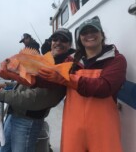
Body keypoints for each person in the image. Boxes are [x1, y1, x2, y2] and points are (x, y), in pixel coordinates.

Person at [38, 17, 127, 152]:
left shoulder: (116, 60)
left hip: (103, 130)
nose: (89, 35)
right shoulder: (71, 61)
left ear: (102, 35)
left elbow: (104, 87)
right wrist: (23, 76)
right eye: (84, 32)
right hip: (73, 129)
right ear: (80, 38)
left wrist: (66, 79)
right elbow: (51, 81)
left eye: (94, 31)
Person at [0, 28, 75, 152]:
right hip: (14, 115)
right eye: (55, 39)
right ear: (51, 42)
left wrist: (0, 94)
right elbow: (28, 82)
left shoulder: (64, 68)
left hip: (27, 121)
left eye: (64, 40)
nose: (58, 42)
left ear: (70, 44)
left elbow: (33, 98)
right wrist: (6, 86)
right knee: (4, 149)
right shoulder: (46, 60)